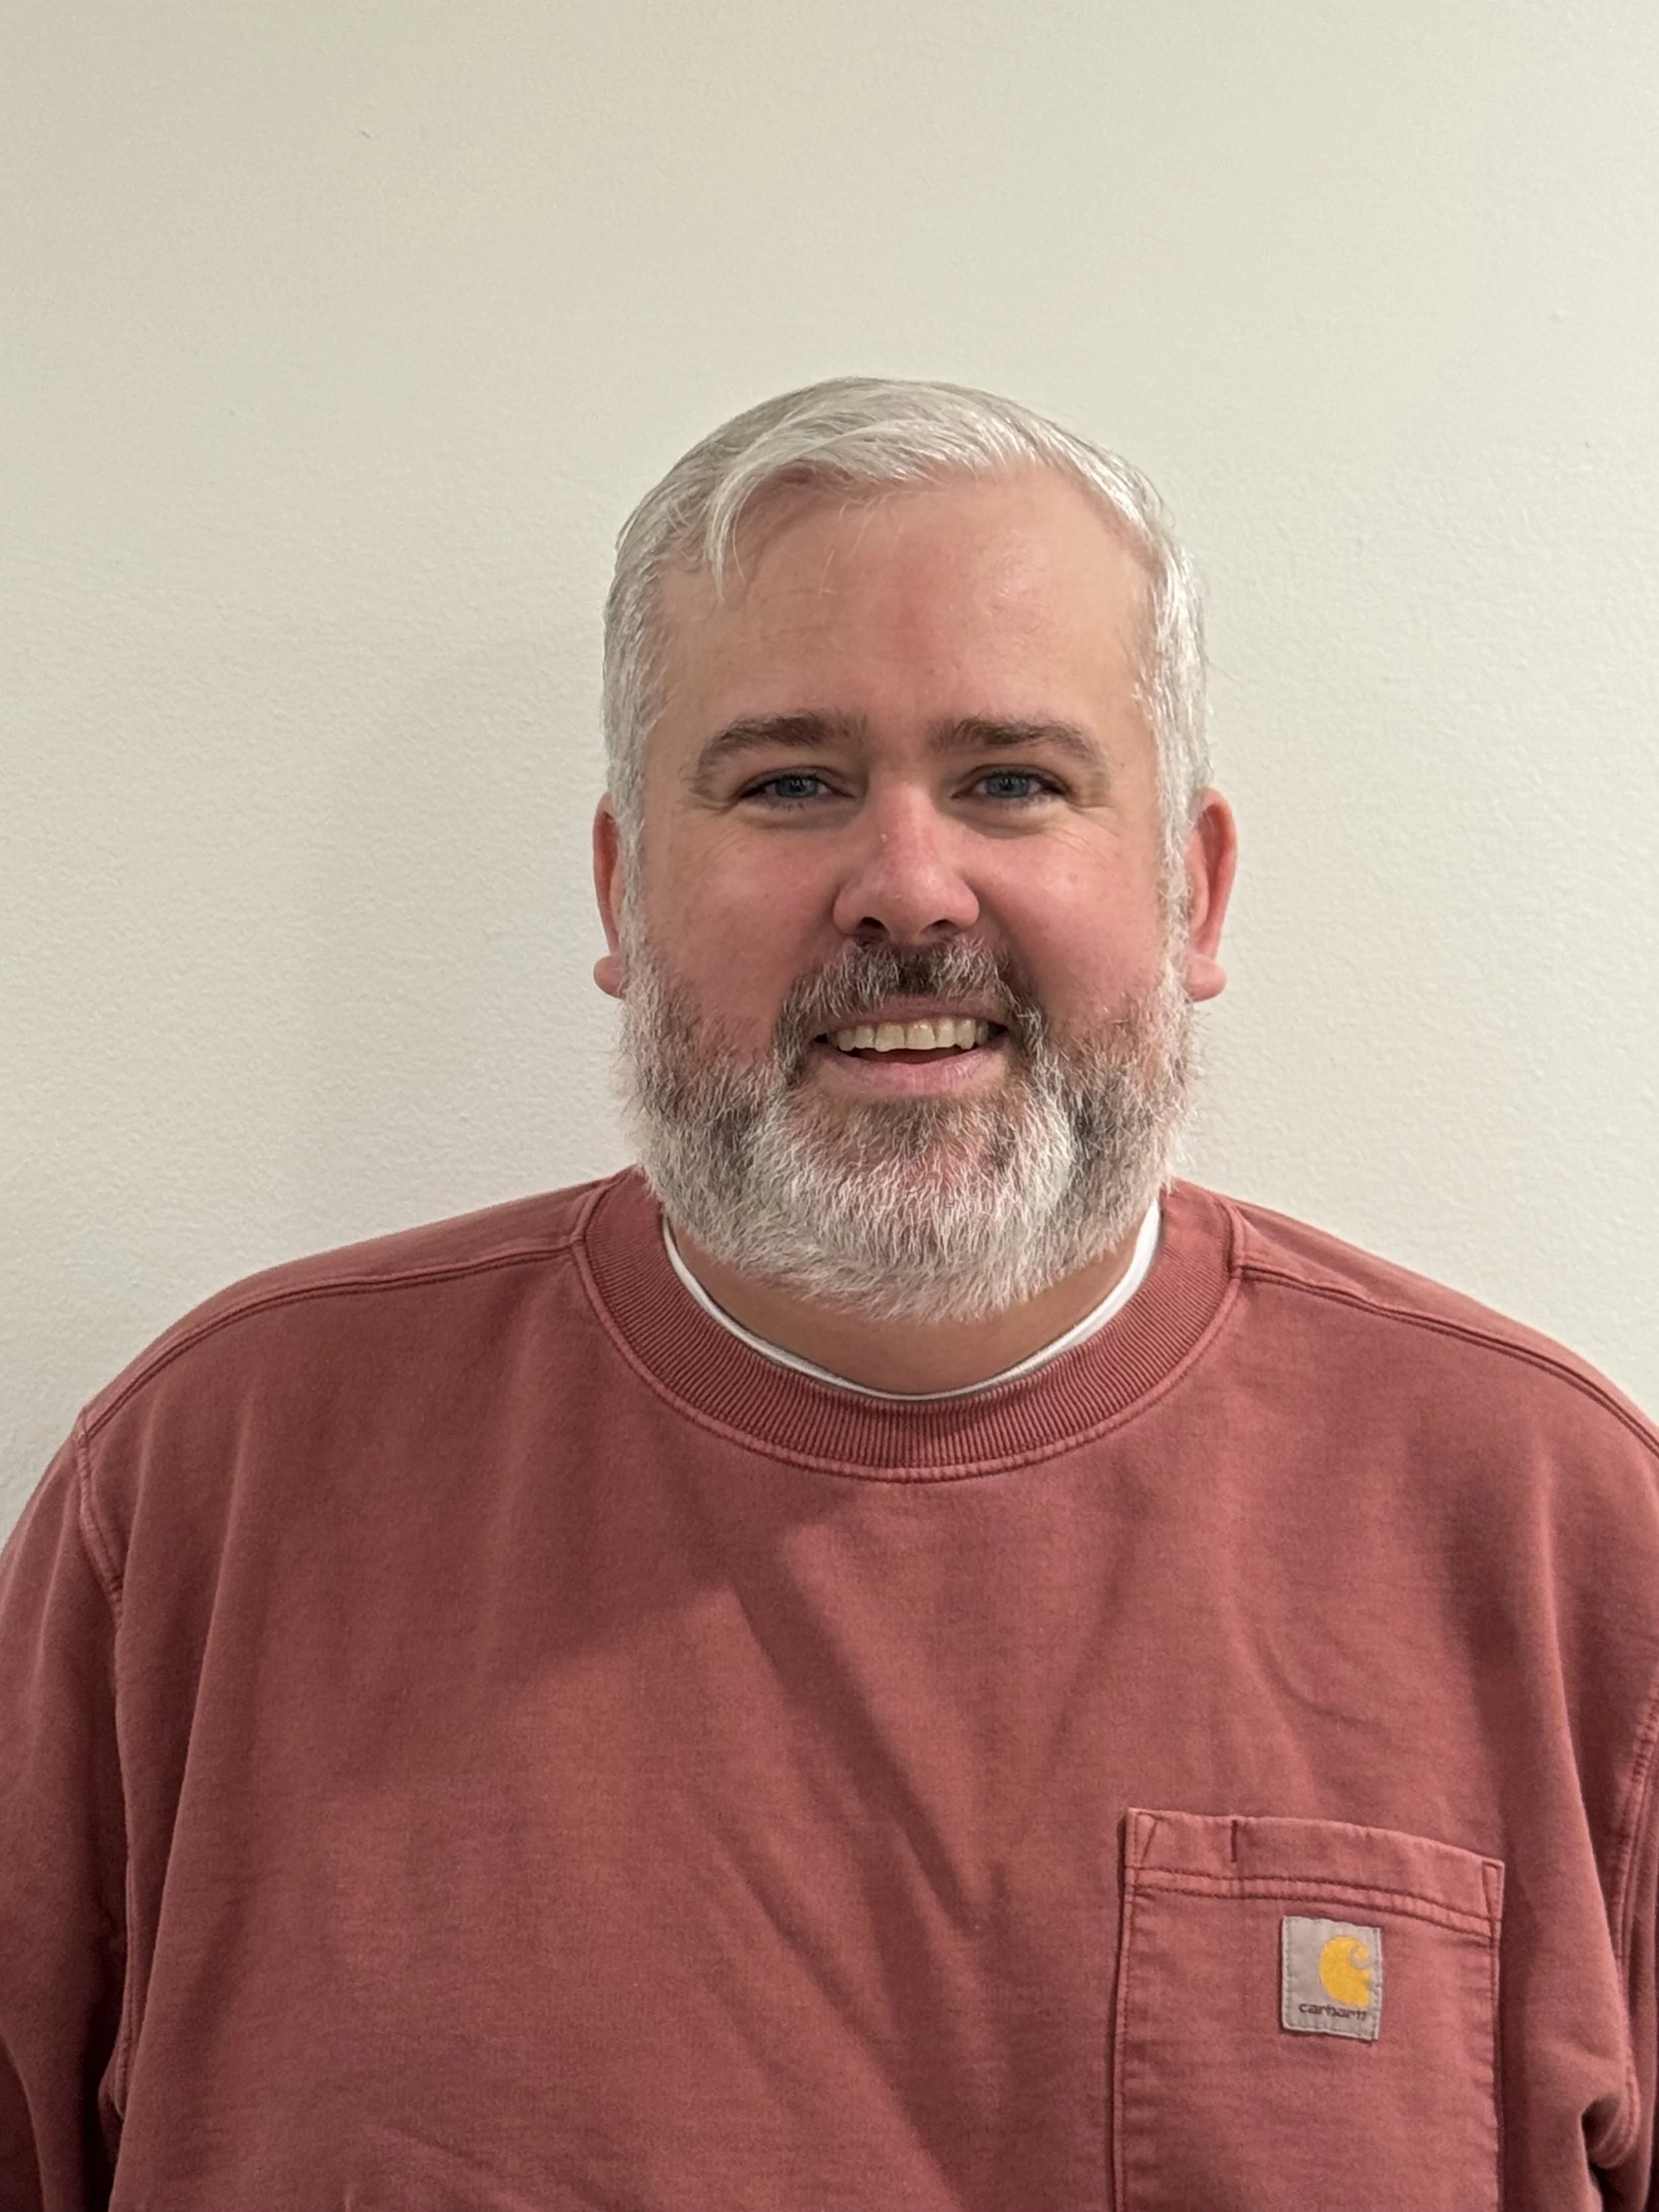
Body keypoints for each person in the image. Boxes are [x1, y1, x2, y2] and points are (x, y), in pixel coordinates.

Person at [1, 377, 1655, 2212]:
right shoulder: (209, 1494)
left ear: (1191, 890)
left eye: (1012, 780)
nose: (904, 886)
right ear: (625, 888)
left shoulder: (1550, 1530)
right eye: (788, 781)